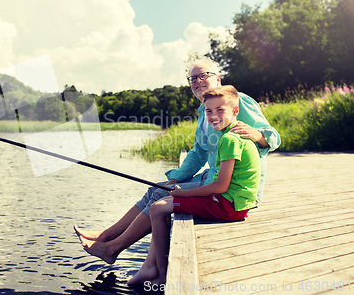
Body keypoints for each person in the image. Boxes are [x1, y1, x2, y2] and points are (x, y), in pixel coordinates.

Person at [74, 58, 280, 264]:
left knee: (160, 194)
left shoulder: (237, 100)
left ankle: (112, 248)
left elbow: (274, 137)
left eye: (203, 75)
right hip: (215, 176)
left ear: (218, 78)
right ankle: (106, 236)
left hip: (234, 188)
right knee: (158, 188)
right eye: (192, 78)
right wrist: (175, 178)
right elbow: (199, 154)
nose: (197, 81)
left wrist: (255, 133)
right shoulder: (204, 112)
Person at [128, 85, 261, 285]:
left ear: (235, 111)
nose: (213, 115)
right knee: (163, 200)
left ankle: (161, 273)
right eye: (209, 111)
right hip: (235, 203)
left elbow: (220, 186)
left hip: (228, 205)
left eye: (220, 110)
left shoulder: (230, 140)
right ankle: (154, 268)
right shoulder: (234, 135)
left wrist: (185, 194)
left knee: (157, 209)